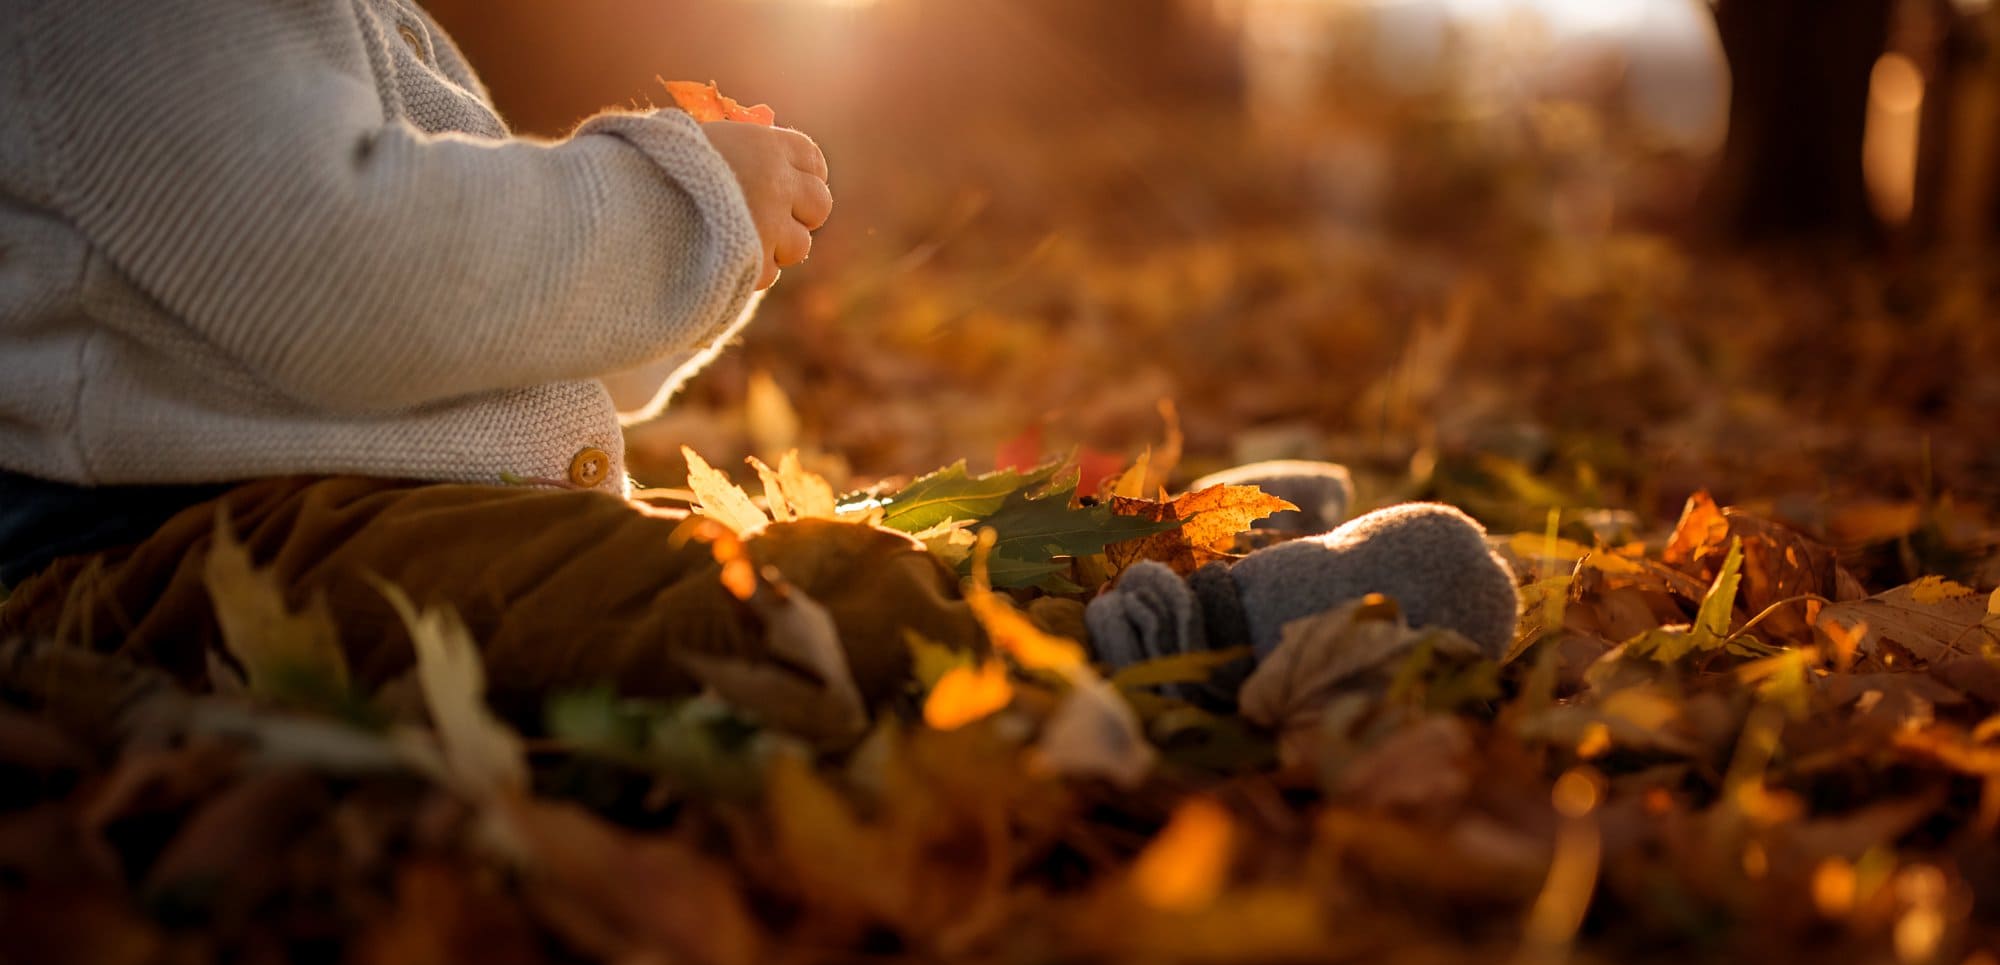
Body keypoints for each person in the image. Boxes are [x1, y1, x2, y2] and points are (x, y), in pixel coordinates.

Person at [0, 0, 1518, 717]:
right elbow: (340, 272)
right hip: (130, 544)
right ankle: (1165, 650)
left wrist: (675, 238)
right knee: (625, 604)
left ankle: (1104, 549)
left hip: (284, 476)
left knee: (729, 548)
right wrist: (676, 203)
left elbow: (437, 311)